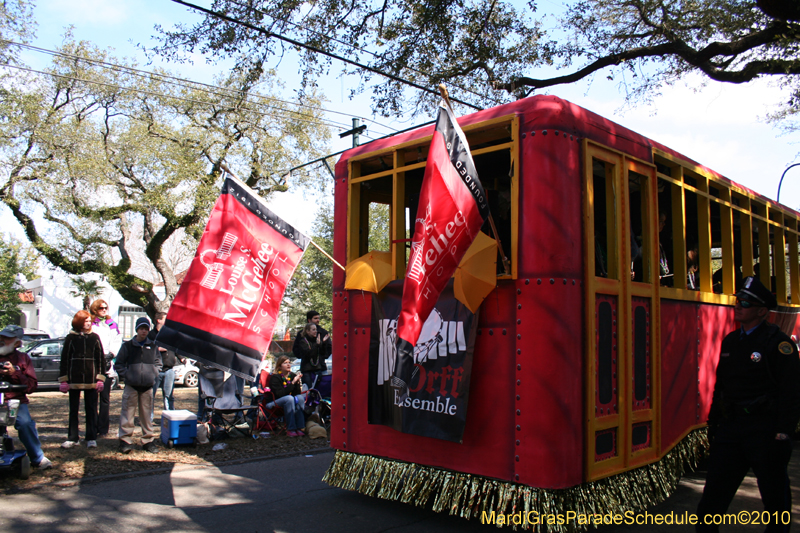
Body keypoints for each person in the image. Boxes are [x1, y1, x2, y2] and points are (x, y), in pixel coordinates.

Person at [696, 276, 800, 532]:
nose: (738, 306)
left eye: (745, 302)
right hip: (732, 429)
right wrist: (714, 423)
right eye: (737, 301)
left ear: (762, 311)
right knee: (711, 505)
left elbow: (791, 392)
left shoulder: (779, 345)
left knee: (776, 504)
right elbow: (721, 387)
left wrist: (783, 433)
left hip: (764, 431)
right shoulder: (731, 342)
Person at [0, 325, 52, 469]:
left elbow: (31, 385)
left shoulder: (23, 358)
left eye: (7, 338)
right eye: (1, 337)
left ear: (17, 343)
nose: (2, 340)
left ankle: (37, 458)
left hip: (14, 399)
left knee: (25, 423)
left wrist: (13, 373)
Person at [58, 310, 106, 449]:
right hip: (74, 379)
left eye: (90, 321)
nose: (88, 323)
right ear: (79, 322)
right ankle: (73, 437)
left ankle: (91, 437)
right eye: (86, 321)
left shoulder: (95, 337)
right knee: (73, 409)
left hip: (91, 380)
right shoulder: (70, 338)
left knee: (91, 409)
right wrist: (64, 380)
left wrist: (100, 378)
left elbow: (100, 359)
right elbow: (64, 359)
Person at [115, 317, 162, 454]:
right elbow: (119, 364)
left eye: (146, 329)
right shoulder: (127, 346)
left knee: (146, 415)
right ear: (136, 330)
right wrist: (128, 375)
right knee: (128, 413)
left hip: (147, 386)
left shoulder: (153, 347)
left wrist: (153, 373)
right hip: (132, 385)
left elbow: (159, 363)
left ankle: (148, 440)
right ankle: (125, 440)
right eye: (141, 329)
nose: (144, 331)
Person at [90, 299, 122, 436]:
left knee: (105, 399)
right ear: (95, 309)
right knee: (92, 399)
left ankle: (103, 428)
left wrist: (111, 354)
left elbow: (117, 340)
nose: (104, 310)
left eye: (105, 308)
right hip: (92, 364)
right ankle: (92, 427)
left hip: (107, 363)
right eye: (101, 308)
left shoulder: (112, 324)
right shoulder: (90, 324)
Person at [149, 311, 177, 423]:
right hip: (155, 370)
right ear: (158, 320)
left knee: (169, 395)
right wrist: (159, 348)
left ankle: (170, 417)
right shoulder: (151, 335)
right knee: (151, 395)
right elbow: (149, 348)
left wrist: (182, 358)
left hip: (169, 369)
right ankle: (148, 418)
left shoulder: (169, 334)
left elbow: (176, 347)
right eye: (166, 319)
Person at [269, 355, 306, 437]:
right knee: (289, 398)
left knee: (300, 398)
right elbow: (280, 394)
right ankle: (291, 428)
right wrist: (292, 383)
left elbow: (297, 393)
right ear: (279, 366)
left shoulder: (292, 376)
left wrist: (297, 382)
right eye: (285, 363)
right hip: (275, 402)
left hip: (290, 401)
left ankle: (300, 427)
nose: (288, 365)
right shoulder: (275, 378)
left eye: (289, 363)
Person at [293, 310, 330, 388]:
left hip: (320, 366)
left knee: (321, 388)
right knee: (308, 388)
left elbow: (328, 348)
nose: (318, 320)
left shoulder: (323, 332)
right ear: (309, 320)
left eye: (318, 318)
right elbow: (297, 349)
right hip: (307, 367)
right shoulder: (302, 335)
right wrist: (304, 356)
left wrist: (321, 357)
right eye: (315, 318)